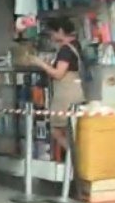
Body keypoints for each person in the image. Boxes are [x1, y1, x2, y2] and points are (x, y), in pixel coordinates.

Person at [29, 19, 85, 153]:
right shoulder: (76, 45)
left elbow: (59, 74)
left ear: (60, 31)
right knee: (72, 129)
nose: (52, 37)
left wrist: (40, 64)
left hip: (65, 94)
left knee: (56, 128)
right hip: (77, 91)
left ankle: (76, 155)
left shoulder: (65, 49)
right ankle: (77, 157)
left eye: (52, 33)